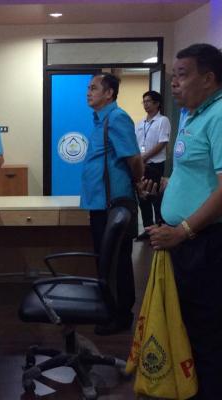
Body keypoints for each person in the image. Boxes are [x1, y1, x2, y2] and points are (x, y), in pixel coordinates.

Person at [146, 43, 222, 399]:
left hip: (205, 242)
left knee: (207, 330)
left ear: (208, 79)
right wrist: (164, 186)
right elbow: (194, 175)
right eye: (173, 76)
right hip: (184, 242)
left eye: (182, 75)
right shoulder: (192, 115)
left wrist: (182, 231)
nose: (174, 83)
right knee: (185, 325)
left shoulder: (219, 115)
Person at [81, 73, 144, 335]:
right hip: (100, 204)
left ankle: (121, 315)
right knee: (105, 261)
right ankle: (109, 309)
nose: (88, 92)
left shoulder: (117, 118)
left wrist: (137, 181)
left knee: (117, 262)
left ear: (109, 93)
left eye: (94, 88)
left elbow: (134, 159)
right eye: (88, 88)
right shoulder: (100, 120)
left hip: (114, 205)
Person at [135, 91, 170, 240]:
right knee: (143, 198)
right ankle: (148, 229)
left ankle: (160, 229)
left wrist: (145, 157)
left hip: (155, 164)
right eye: (144, 101)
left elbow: (162, 143)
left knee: (156, 197)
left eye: (148, 101)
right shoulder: (140, 123)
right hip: (141, 165)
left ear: (157, 103)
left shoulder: (163, 120)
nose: (146, 104)